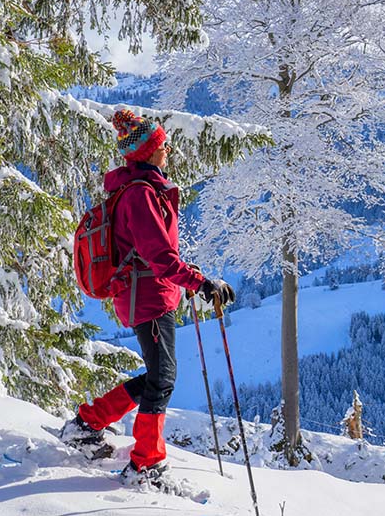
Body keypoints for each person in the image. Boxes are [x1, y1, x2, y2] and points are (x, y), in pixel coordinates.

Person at [61, 109, 235, 488]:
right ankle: (145, 462)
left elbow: (156, 252)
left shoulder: (142, 189)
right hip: (148, 299)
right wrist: (200, 283)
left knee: (160, 376)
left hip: (149, 295)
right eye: (161, 144)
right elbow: (159, 257)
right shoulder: (140, 195)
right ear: (147, 152)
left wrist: (192, 282)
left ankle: (89, 422)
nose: (167, 148)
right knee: (163, 378)